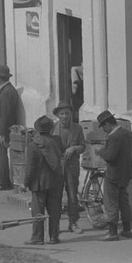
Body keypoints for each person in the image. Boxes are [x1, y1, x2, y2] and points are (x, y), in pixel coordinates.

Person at [20, 115, 64, 245]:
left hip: (39, 183)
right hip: (56, 181)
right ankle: (54, 237)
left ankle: (37, 238)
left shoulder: (33, 146)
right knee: (55, 210)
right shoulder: (57, 142)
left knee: (38, 211)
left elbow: (30, 169)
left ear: (37, 130)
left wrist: (25, 184)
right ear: (51, 129)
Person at [95, 110, 132, 241]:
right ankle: (127, 229)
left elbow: (110, 156)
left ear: (107, 124)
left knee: (111, 203)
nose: (104, 130)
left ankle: (112, 232)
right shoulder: (126, 133)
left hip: (114, 174)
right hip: (126, 173)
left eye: (103, 127)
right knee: (124, 202)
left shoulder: (113, 137)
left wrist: (100, 151)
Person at [52, 101, 86, 234]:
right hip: (56, 168)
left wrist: (74, 148)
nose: (65, 116)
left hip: (72, 167)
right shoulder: (53, 128)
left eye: (67, 113)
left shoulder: (77, 128)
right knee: (56, 196)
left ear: (71, 114)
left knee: (72, 196)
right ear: (57, 115)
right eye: (62, 114)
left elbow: (83, 146)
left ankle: (73, 223)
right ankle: (55, 224)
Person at [0, 65, 18, 191]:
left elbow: (6, 114)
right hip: (0, 129)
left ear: (0, 78)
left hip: (1, 130)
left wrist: (2, 133)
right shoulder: (7, 90)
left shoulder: (7, 92)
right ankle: (3, 181)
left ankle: (3, 182)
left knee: (0, 155)